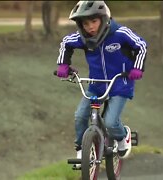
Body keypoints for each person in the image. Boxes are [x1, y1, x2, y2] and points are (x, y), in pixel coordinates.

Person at [55, 0, 147, 163]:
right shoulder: (84, 38)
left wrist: (137, 68)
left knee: (111, 122)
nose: (90, 27)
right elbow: (66, 43)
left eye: (94, 21)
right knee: (80, 116)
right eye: (85, 23)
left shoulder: (120, 33)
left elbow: (141, 45)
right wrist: (63, 64)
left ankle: (122, 137)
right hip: (96, 85)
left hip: (120, 84)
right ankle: (82, 150)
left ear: (104, 18)